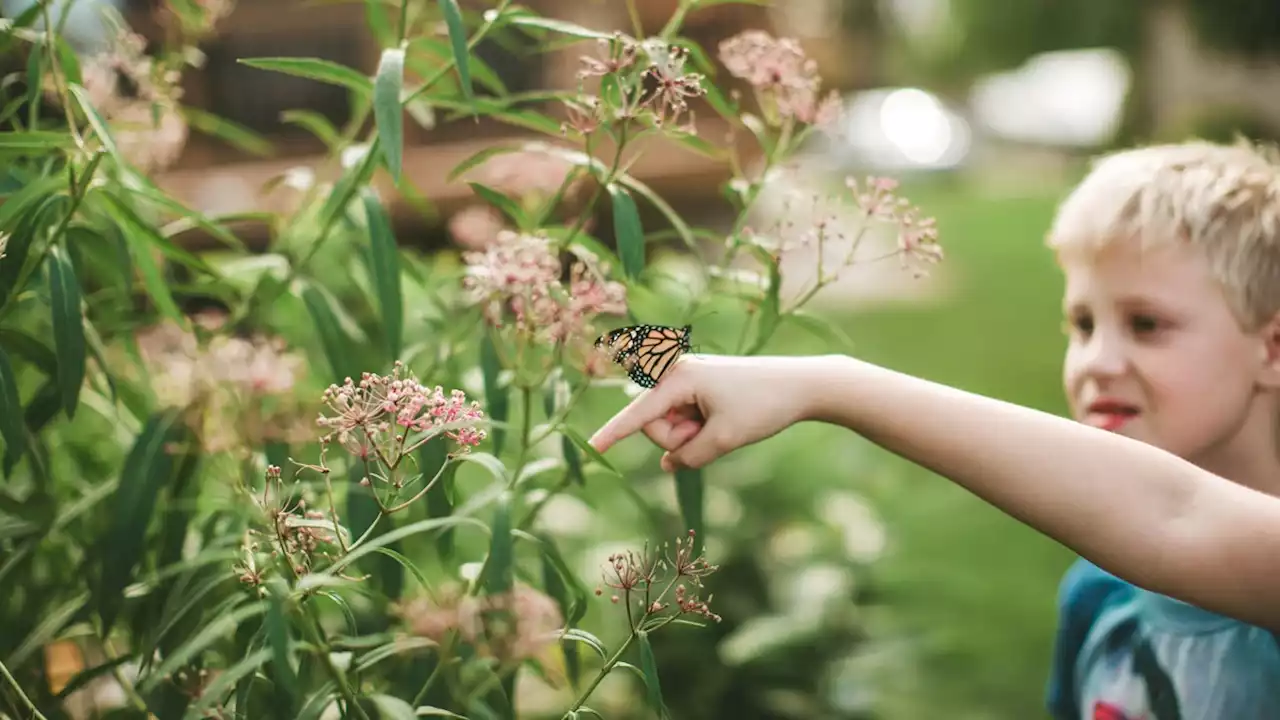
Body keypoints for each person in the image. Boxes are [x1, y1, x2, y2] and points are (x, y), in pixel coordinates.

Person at [589, 140, 1280, 719]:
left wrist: (828, 382)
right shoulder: (1098, 596)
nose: (1098, 360)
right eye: (1082, 323)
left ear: (1271, 349)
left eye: (1148, 324)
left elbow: (1175, 516)